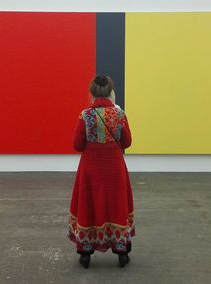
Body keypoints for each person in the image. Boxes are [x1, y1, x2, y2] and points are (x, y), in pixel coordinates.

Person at [67, 74, 135, 268]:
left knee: (88, 204)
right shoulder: (119, 114)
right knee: (117, 204)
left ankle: (85, 254)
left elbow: (78, 145)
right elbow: (127, 142)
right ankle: (122, 252)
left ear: (92, 93)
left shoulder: (85, 115)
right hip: (114, 168)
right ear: (110, 92)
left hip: (91, 168)